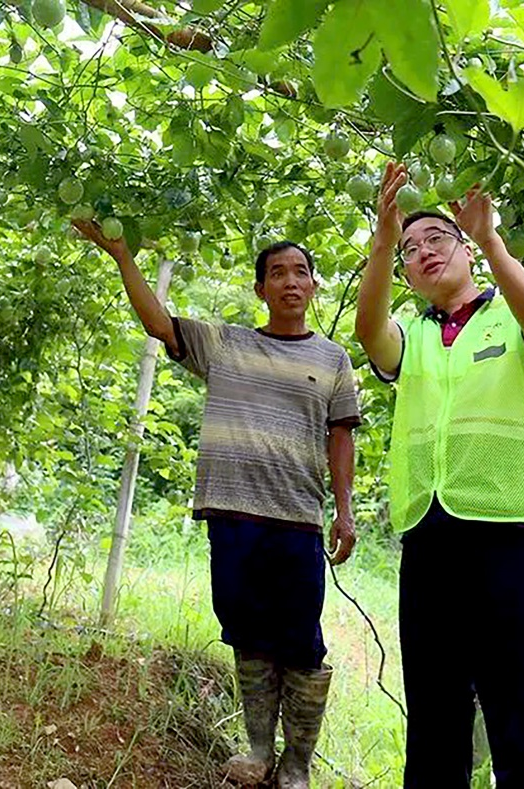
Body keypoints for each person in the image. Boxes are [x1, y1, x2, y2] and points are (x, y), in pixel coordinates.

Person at [74, 220, 360, 789]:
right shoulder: (226, 343)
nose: (290, 281)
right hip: (231, 516)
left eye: (300, 272)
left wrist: (345, 511)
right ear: (261, 289)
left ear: (314, 285)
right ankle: (257, 752)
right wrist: (122, 254)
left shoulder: (333, 360)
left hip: (298, 520)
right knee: (247, 633)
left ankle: (297, 766)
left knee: (302, 642)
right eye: (277, 273)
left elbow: (341, 436)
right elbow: (158, 323)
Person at [353, 163, 524, 788]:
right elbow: (369, 330)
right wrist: (382, 242)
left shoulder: (508, 314)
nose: (422, 253)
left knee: (522, 711)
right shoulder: (412, 335)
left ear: (466, 250)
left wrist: (493, 239)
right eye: (411, 250)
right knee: (435, 713)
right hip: (432, 534)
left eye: (437, 240)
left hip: (515, 532)